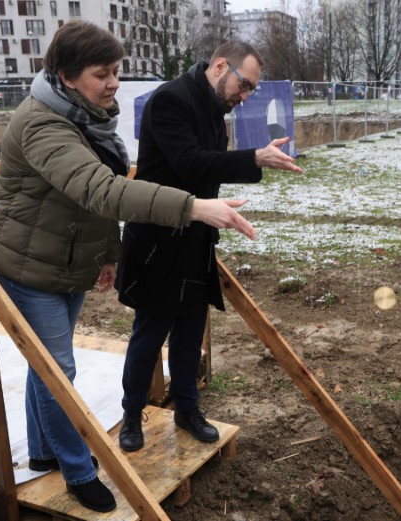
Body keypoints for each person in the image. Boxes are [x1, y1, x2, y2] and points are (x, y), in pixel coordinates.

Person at [0, 21, 255, 513]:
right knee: (57, 370)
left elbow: (92, 199)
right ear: (67, 76)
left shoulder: (88, 118)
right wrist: (193, 207)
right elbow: (103, 189)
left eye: (116, 71)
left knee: (45, 366)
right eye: (102, 73)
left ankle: (43, 451)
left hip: (65, 260)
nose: (113, 83)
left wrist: (107, 252)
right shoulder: (43, 124)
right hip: (28, 264)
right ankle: (79, 471)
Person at [115, 42, 302, 452]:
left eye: (251, 89)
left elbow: (208, 170)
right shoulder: (171, 101)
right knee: (149, 337)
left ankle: (187, 408)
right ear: (221, 66)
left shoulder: (216, 110)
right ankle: (131, 414)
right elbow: (190, 163)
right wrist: (252, 159)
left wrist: (250, 163)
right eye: (244, 84)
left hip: (195, 242)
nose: (246, 95)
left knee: (189, 334)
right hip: (158, 242)